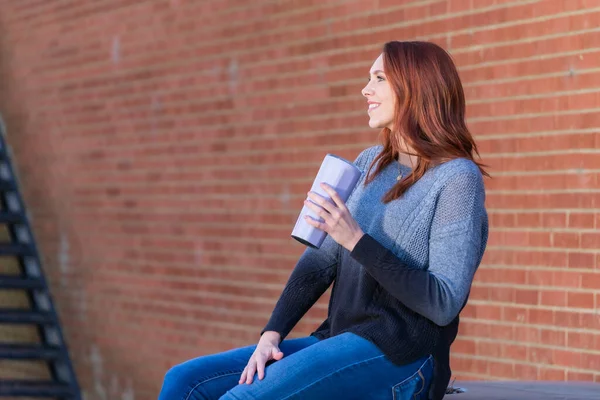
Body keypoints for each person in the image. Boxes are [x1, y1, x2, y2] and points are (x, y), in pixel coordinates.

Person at [158, 41, 489, 400]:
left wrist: (357, 241)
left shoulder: (457, 179)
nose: (366, 89)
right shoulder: (368, 163)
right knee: (184, 382)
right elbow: (319, 261)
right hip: (337, 339)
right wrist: (273, 333)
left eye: (379, 78)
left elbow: (442, 303)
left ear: (415, 88)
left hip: (403, 355)